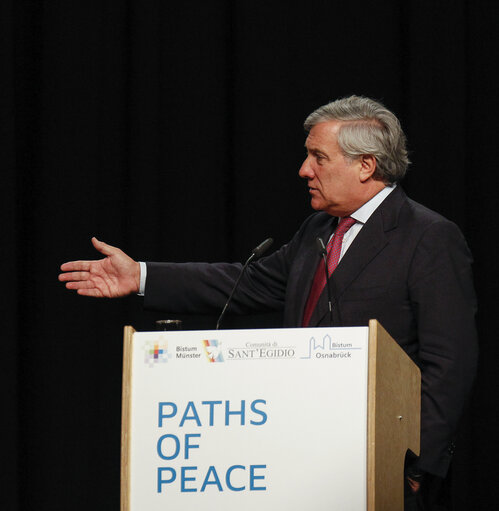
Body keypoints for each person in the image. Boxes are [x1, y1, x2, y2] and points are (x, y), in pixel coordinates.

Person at [59, 96, 477, 509]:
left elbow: (450, 363)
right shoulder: (319, 229)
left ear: (365, 165)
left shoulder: (427, 237)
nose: (304, 170)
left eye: (318, 157)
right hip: (301, 460)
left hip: (383, 467)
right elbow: (247, 283)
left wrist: (418, 466)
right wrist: (142, 276)